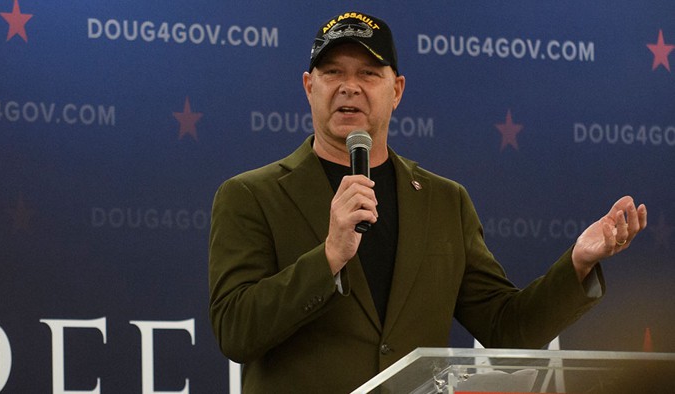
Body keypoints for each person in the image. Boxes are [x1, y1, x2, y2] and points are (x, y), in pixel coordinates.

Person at [208, 11, 647, 393]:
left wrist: (578, 265)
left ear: (396, 90)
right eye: (333, 73)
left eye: (367, 74)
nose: (349, 87)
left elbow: (506, 329)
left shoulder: (444, 202)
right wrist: (328, 256)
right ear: (309, 86)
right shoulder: (252, 195)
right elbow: (235, 331)